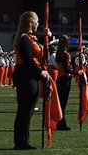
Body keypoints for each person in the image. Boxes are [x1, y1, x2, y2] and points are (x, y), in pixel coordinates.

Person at [12, 11, 50, 150]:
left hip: (30, 75)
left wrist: (47, 38)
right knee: (24, 110)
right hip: (26, 75)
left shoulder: (31, 38)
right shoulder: (24, 39)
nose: (38, 24)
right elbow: (28, 59)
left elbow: (41, 55)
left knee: (28, 110)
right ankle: (20, 141)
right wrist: (41, 72)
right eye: (37, 21)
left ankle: (23, 140)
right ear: (31, 22)